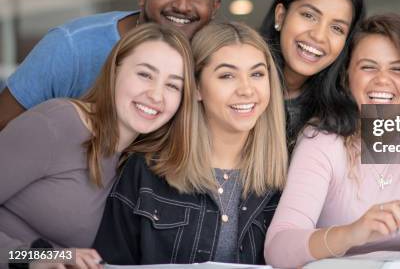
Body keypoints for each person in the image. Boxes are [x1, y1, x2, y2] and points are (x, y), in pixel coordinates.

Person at [264, 14, 400, 269]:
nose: (382, 79)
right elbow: (277, 248)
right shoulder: (321, 142)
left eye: (397, 69)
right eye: (368, 67)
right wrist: (353, 233)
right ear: (347, 76)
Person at [0, 23, 194, 269]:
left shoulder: (140, 161)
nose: (156, 95)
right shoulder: (56, 124)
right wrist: (31, 257)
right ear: (114, 70)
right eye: (145, 74)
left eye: (173, 85)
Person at [93, 22, 288, 265]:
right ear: (196, 88)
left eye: (257, 74)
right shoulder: (144, 170)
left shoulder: (288, 178)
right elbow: (109, 262)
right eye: (227, 75)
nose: (247, 90)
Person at [0, 0, 222, 130]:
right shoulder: (74, 45)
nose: (182, 5)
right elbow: (4, 123)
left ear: (214, 8)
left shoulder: (214, 60)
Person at [260, 0, 365, 148]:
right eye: (309, 15)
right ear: (281, 16)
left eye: (337, 28)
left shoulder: (343, 112)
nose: (318, 36)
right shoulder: (242, 89)